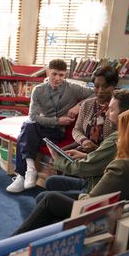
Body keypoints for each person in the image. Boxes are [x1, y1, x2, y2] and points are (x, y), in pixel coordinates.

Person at [13, 104, 129, 235]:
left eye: (124, 134)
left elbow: (89, 204)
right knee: (47, 199)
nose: (120, 139)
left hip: (107, 217)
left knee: (49, 199)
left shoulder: (124, 167)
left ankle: (13, 242)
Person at [6, 59, 93, 193]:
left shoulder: (73, 88)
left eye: (61, 75)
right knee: (28, 126)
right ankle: (29, 171)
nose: (57, 78)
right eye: (54, 74)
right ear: (48, 72)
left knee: (24, 137)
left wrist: (78, 105)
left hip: (57, 132)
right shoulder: (38, 90)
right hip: (42, 126)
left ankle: (22, 175)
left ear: (66, 75)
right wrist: (57, 120)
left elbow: (94, 94)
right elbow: (33, 116)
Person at [44, 89, 129, 200]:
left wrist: (56, 158)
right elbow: (107, 159)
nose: (106, 114)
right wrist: (85, 155)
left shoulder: (118, 139)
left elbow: (84, 168)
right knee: (52, 181)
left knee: (47, 198)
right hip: (98, 180)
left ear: (124, 114)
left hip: (97, 193)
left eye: (111, 110)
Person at [69, 66, 118, 152]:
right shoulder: (87, 104)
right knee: (59, 157)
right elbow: (76, 130)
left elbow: (118, 139)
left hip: (105, 154)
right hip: (84, 146)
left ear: (114, 86)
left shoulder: (118, 107)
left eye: (105, 86)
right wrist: (84, 141)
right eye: (96, 86)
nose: (100, 91)